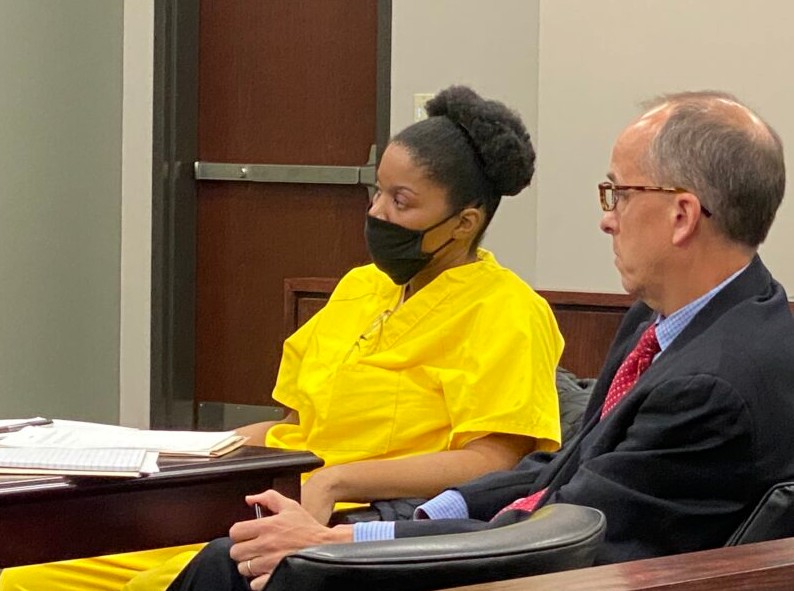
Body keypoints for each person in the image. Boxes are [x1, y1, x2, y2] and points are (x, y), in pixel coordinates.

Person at [164, 90, 794, 591]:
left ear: (682, 215)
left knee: (237, 566)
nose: (607, 218)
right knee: (233, 556)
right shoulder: (672, 320)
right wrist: (425, 514)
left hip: (552, 572)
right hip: (525, 543)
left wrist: (343, 542)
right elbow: (562, 471)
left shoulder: (711, 386)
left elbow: (566, 535)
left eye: (619, 194)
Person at [0, 86, 564, 591]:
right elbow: (296, 425)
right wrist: (173, 453)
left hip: (350, 527)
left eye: (401, 201)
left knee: (155, 583)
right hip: (261, 501)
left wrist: (337, 479)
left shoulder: (508, 311)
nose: (376, 212)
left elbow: (494, 461)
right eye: (377, 192)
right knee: (23, 575)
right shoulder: (362, 287)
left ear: (464, 223)